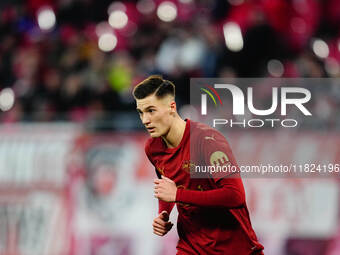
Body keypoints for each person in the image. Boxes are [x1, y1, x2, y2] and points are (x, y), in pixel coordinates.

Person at [133, 75, 264, 255]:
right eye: (141, 112)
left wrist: (178, 195)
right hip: (191, 247)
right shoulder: (153, 148)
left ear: (172, 107)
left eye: (151, 111)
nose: (145, 120)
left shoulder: (207, 140)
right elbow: (167, 185)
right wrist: (164, 213)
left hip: (233, 248)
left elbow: (235, 195)